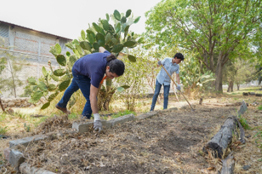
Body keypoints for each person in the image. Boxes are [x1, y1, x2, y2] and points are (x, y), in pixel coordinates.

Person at [56, 47, 125, 132]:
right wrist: (97, 119)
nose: (112, 78)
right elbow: (92, 96)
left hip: (80, 66)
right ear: (107, 68)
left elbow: (100, 48)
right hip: (79, 71)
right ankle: (83, 121)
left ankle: (61, 104)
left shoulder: (110, 58)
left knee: (73, 87)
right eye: (112, 76)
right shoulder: (97, 72)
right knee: (91, 99)